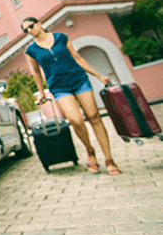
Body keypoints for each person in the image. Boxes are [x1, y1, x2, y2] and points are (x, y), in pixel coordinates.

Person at [21, 17, 121, 176]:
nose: (29, 30)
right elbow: (36, 74)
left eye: (30, 26)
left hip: (79, 80)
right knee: (76, 120)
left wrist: (99, 76)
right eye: (25, 30)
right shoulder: (31, 51)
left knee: (94, 116)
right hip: (59, 87)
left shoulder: (61, 38)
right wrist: (41, 94)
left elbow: (77, 58)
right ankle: (90, 151)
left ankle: (109, 160)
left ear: (39, 24)